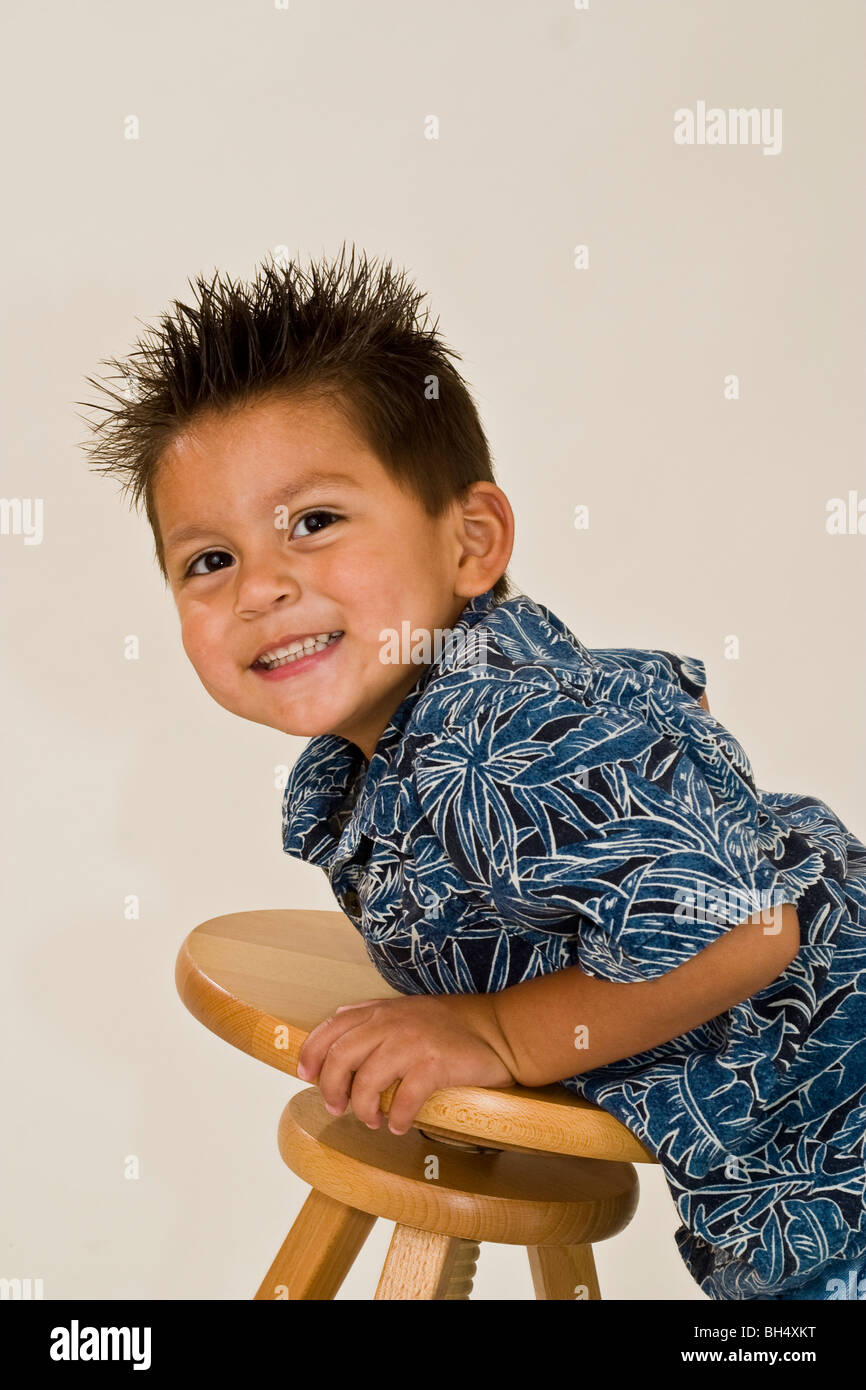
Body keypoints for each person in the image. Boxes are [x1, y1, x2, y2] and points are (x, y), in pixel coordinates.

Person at [80, 244, 866, 1301]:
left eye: (313, 523)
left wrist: (497, 1030)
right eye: (206, 560)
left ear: (471, 541)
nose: (259, 587)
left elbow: (744, 924)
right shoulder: (383, 754)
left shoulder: (500, 730)